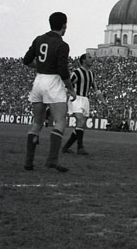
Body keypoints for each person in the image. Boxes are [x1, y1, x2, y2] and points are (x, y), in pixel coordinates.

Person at [23, 12, 77, 172]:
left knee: (37, 123)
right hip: (53, 82)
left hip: (38, 81)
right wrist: (71, 88)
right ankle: (52, 160)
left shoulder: (38, 39)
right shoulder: (62, 45)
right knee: (60, 121)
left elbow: (26, 60)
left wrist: (41, 66)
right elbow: (63, 70)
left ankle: (28, 162)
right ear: (64, 25)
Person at [62, 53, 107, 155]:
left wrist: (103, 100)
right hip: (76, 98)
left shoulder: (91, 74)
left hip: (85, 100)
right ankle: (80, 147)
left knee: (81, 125)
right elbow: (67, 86)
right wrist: (65, 99)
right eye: (89, 58)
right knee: (81, 121)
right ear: (83, 60)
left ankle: (66, 147)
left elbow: (96, 89)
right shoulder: (76, 73)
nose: (92, 59)